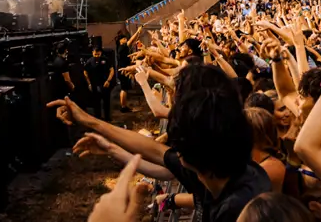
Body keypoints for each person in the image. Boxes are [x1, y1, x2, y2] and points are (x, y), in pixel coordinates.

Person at [53, 63, 270, 222]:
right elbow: (155, 151)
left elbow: (158, 152)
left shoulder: (240, 210)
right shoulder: (222, 166)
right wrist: (92, 124)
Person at [86, 45, 117, 121]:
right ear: (92, 52)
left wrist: (108, 80)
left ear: (101, 53)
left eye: (98, 54)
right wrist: (89, 83)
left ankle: (107, 118)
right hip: (94, 85)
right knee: (96, 103)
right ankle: (98, 118)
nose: (96, 55)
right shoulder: (89, 61)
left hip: (105, 84)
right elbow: (85, 72)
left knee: (106, 102)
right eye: (95, 54)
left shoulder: (105, 60)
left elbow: (112, 70)